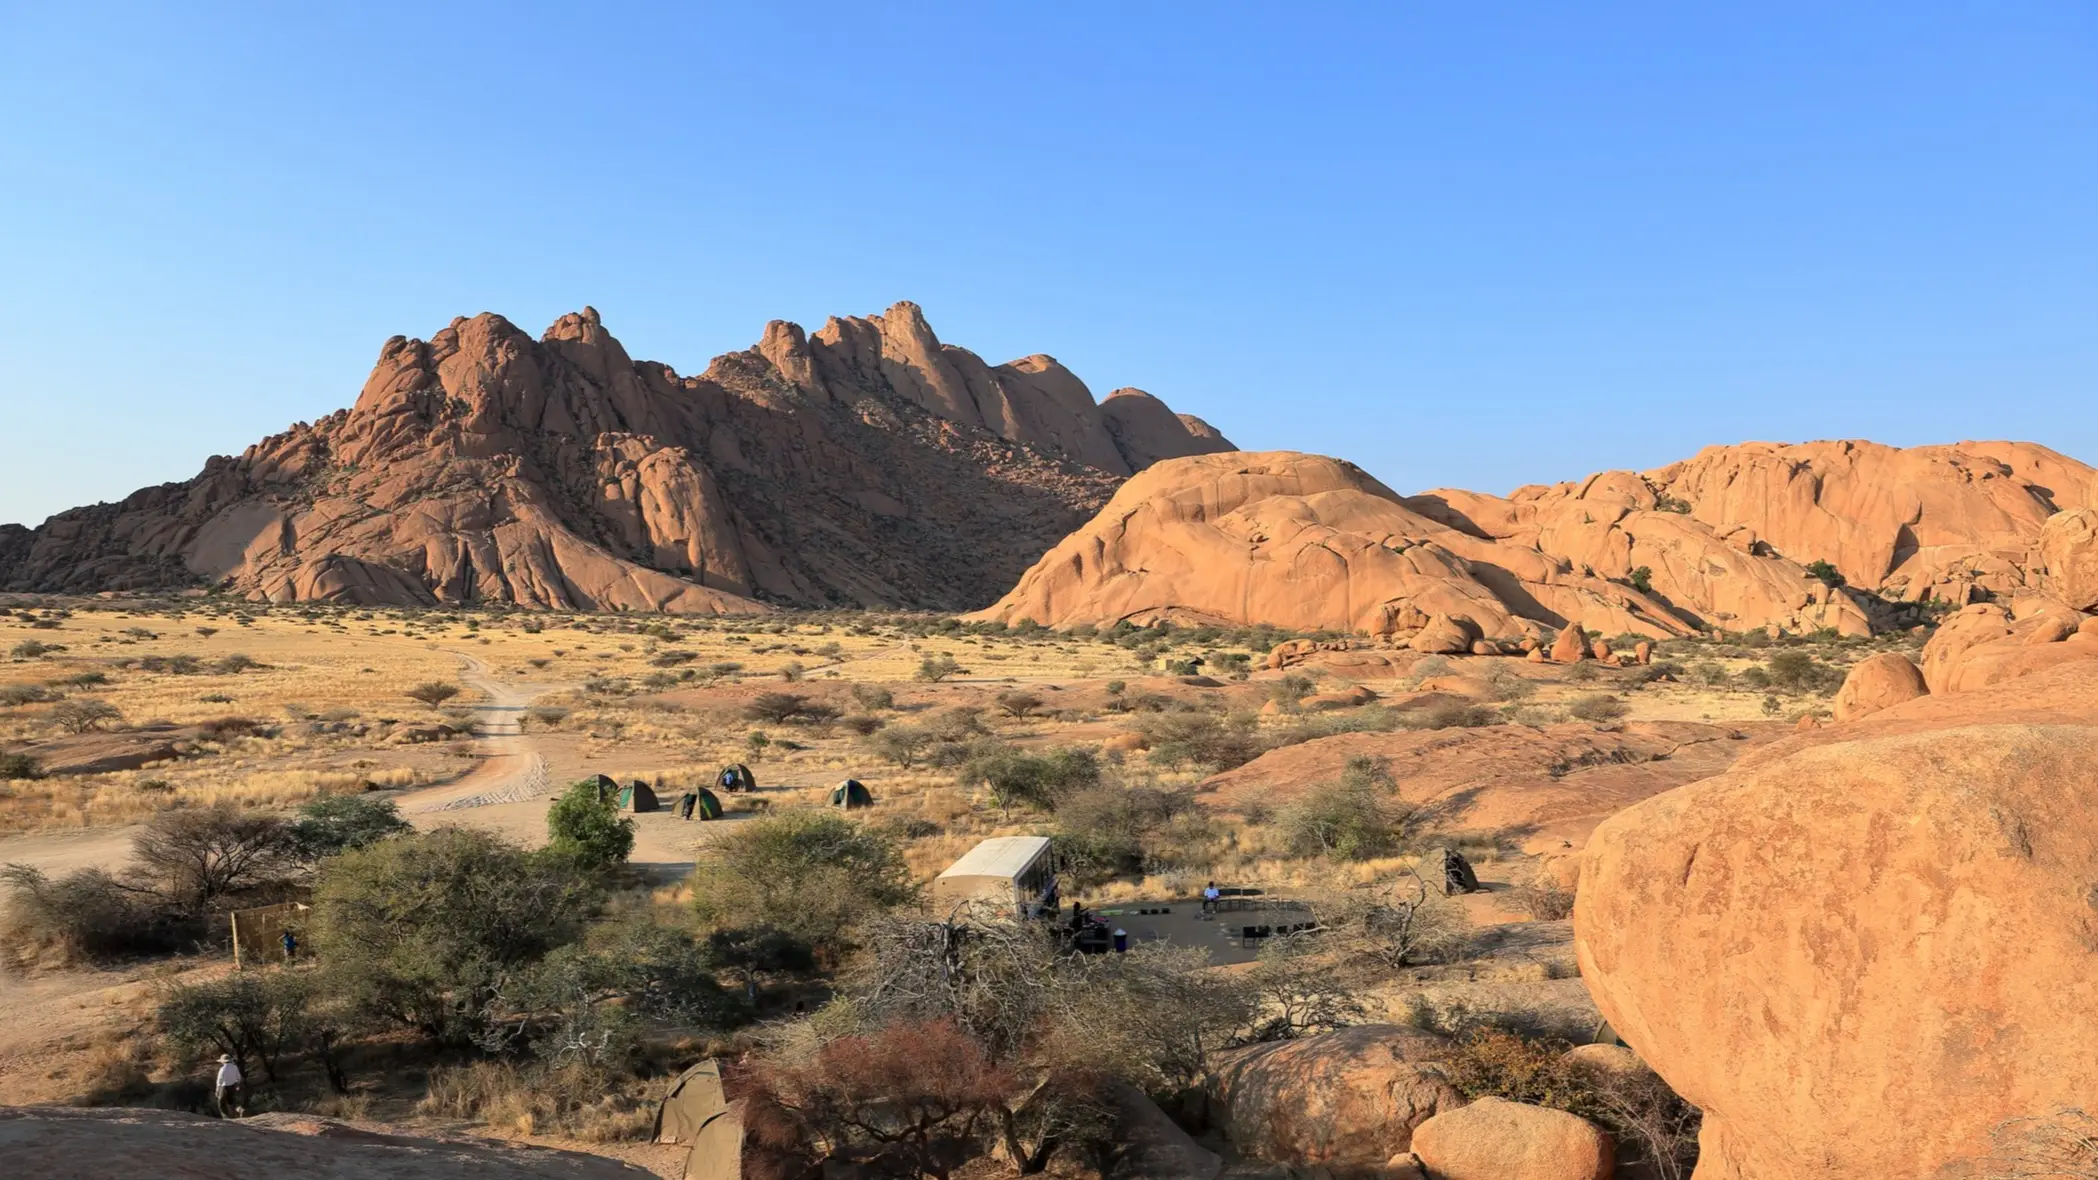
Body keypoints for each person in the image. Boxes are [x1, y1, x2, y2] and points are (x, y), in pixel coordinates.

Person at [213, 1054, 244, 1118]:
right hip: (233, 1086)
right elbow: (239, 1077)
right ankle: (235, 1114)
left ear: (223, 1061)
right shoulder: (234, 1067)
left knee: (221, 1103)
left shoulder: (222, 1069)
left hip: (224, 1087)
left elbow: (219, 1080)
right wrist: (238, 1085)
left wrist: (217, 1090)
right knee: (231, 1101)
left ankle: (226, 1116)